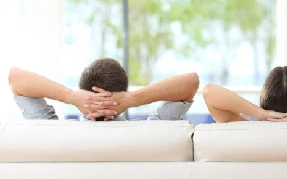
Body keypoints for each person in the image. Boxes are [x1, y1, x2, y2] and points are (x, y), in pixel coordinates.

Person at [8, 58, 199, 121]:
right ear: (123, 90)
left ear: (82, 90)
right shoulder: (150, 132)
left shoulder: (49, 132)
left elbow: (15, 78)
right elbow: (191, 82)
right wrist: (131, 99)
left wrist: (71, 97)